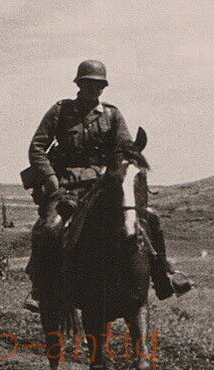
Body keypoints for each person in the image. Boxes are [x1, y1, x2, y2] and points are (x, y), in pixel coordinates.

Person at [23, 60, 192, 312]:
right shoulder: (60, 111)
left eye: (99, 85)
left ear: (104, 87)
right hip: (66, 188)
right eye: (89, 84)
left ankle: (163, 277)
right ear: (79, 84)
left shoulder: (112, 114)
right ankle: (40, 288)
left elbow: (124, 150)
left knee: (150, 219)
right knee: (49, 227)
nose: (95, 89)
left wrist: (121, 168)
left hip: (102, 188)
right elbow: (37, 148)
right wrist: (51, 180)